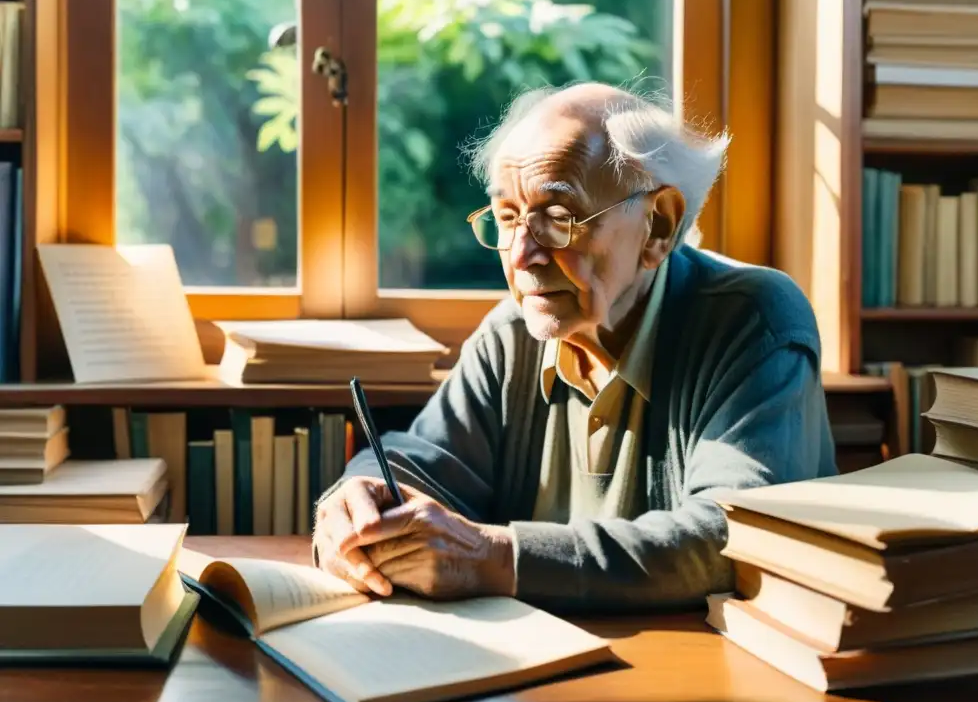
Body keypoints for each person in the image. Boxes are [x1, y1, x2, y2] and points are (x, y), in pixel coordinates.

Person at [312, 81, 837, 612]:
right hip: (536, 676)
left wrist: (495, 558)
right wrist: (357, 502)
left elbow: (733, 534)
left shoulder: (755, 319)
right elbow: (426, 460)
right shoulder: (510, 334)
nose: (522, 255)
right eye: (509, 218)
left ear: (658, 225)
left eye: (558, 218)